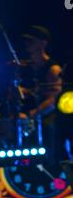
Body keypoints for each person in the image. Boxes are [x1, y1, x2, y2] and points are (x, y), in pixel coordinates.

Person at [17, 25, 62, 159]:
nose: (27, 44)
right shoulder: (23, 68)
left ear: (43, 43)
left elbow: (53, 101)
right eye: (26, 40)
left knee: (49, 126)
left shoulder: (52, 69)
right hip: (26, 115)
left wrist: (32, 115)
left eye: (31, 40)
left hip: (44, 116)